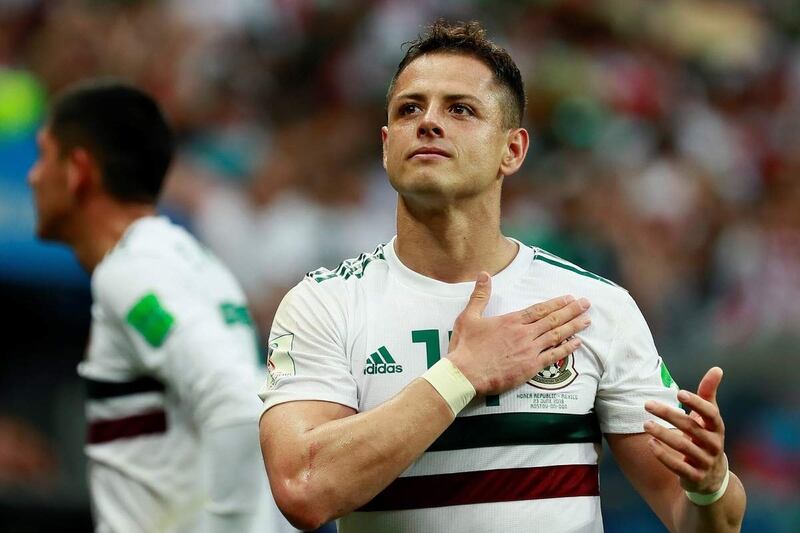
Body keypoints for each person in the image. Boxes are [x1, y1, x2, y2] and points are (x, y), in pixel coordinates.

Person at [258, 20, 746, 533]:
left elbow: (705, 522)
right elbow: (302, 490)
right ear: (386, 147)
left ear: (512, 150)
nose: (428, 122)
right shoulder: (325, 304)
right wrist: (461, 375)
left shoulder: (591, 307)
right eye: (409, 109)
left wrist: (709, 485)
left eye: (460, 109)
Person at [28, 80, 297, 533]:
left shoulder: (131, 272)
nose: (33, 176)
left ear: (78, 171)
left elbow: (237, 405)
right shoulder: (194, 261)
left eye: (43, 155)